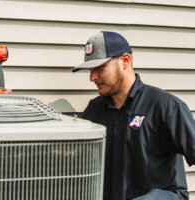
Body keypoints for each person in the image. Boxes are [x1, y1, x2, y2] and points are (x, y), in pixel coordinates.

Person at [72, 31, 195, 200]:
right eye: (90, 70)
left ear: (125, 61)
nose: (92, 77)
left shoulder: (164, 106)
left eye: (99, 68)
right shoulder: (95, 110)